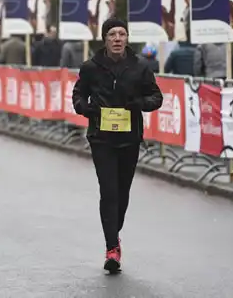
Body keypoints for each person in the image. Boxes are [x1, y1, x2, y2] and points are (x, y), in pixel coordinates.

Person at [72, 18, 163, 273]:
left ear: (127, 38)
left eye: (122, 34)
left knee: (122, 193)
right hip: (101, 138)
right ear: (105, 39)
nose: (117, 38)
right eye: (112, 34)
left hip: (129, 138)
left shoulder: (140, 66)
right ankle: (112, 247)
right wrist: (85, 108)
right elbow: (78, 94)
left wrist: (140, 104)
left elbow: (156, 97)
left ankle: (114, 229)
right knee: (108, 191)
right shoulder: (91, 67)